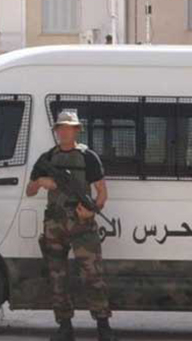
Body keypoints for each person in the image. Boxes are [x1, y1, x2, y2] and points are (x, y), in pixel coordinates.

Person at [26, 111, 117, 341]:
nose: (64, 131)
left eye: (69, 127)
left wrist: (91, 210)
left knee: (93, 275)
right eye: (61, 128)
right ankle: (64, 327)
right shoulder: (47, 158)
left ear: (77, 130)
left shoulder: (88, 157)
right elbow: (29, 190)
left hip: (82, 224)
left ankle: (103, 327)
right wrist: (40, 182)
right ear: (56, 130)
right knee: (57, 276)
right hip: (55, 224)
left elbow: (102, 193)